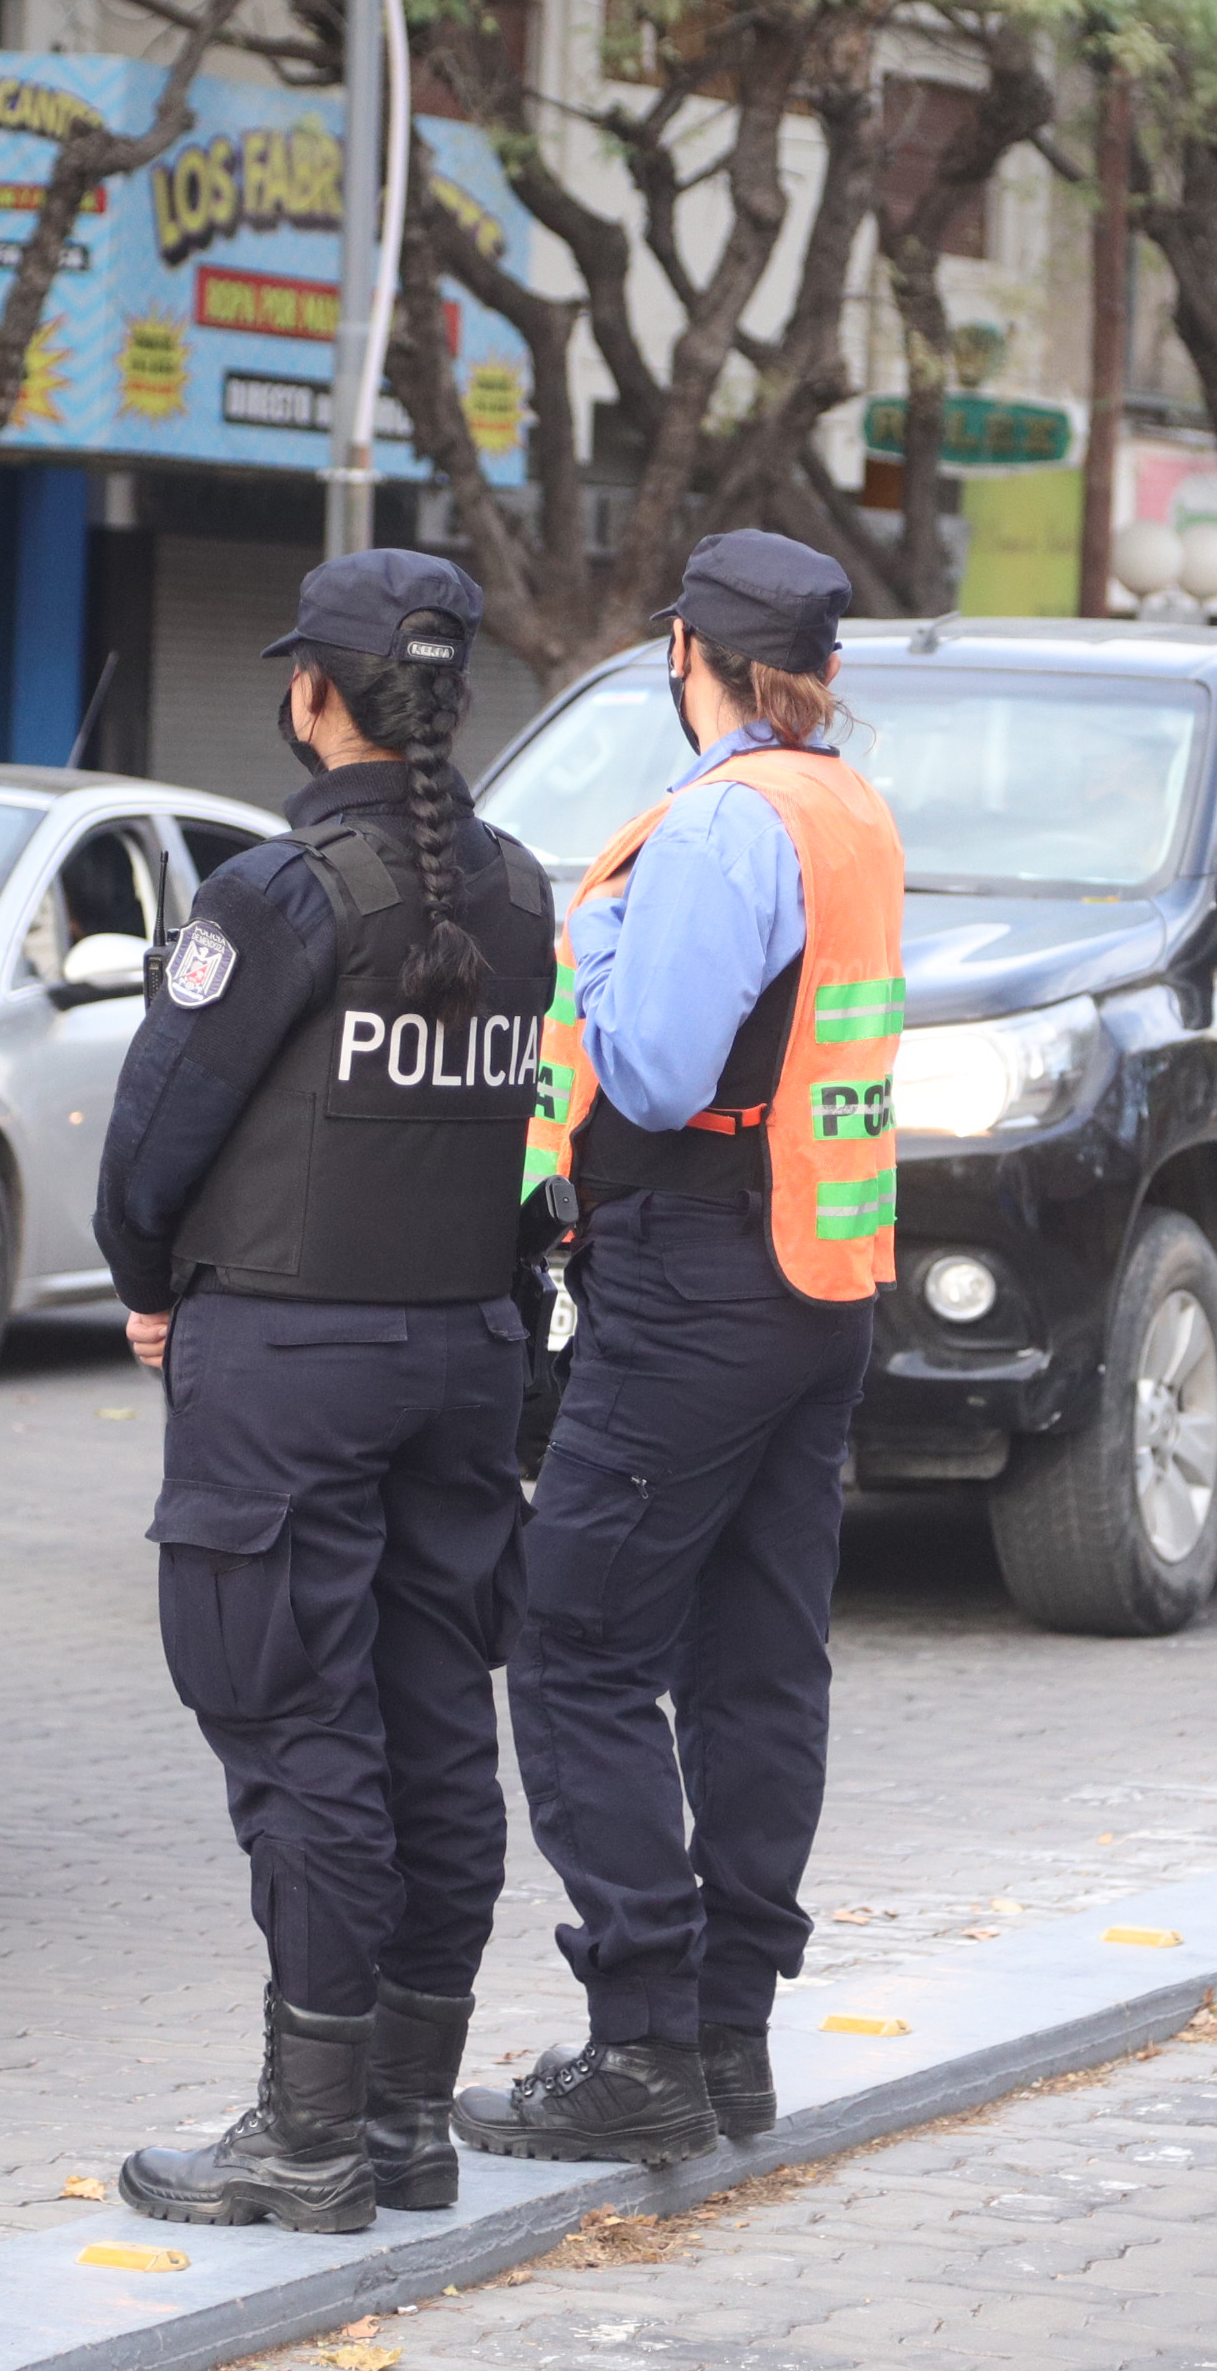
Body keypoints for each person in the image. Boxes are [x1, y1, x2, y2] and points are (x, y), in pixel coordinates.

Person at [93, 548, 556, 2235]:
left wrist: (145, 1286)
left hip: (289, 1361)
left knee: (300, 1730)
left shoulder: (279, 890)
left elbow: (152, 1136)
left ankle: (306, 2135)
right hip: (459, 1354)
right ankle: (402, 2119)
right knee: (433, 1723)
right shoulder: (512, 891)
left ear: (315, 694)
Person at [452, 530, 905, 2166]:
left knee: (571, 1644)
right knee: (755, 1661)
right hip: (817, 1285)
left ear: (683, 657)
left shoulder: (721, 823)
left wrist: (590, 936)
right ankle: (726, 2044)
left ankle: (641, 2039)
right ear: (824, 675)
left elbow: (646, 1071)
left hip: (695, 1277)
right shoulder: (847, 808)